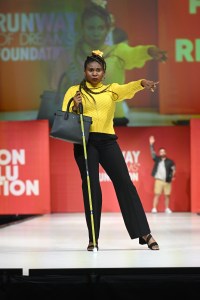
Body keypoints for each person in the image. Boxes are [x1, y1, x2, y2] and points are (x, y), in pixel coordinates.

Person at [62, 50, 160, 251]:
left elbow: (127, 88)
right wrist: (75, 106)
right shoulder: (74, 91)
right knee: (91, 189)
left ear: (104, 73)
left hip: (107, 142)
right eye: (91, 70)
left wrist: (142, 83)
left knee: (125, 183)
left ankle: (144, 233)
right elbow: (64, 115)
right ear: (85, 71)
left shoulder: (111, 90)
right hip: (85, 143)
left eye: (98, 70)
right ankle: (93, 239)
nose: (95, 73)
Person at [50, 2, 167, 126]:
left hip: (114, 120)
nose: (96, 33)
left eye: (101, 28)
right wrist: (70, 82)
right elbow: (54, 87)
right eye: (91, 28)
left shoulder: (117, 52)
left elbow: (135, 53)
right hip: (79, 122)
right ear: (82, 28)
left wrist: (149, 51)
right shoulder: (69, 55)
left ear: (107, 29)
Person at [149, 136, 176, 213]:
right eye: (161, 152)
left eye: (163, 151)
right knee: (157, 194)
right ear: (159, 153)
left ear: (165, 153)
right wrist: (151, 145)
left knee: (167, 195)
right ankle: (154, 208)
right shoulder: (157, 159)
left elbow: (174, 170)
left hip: (167, 180)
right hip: (159, 180)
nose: (162, 153)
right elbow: (152, 153)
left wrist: (172, 176)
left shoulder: (170, 161)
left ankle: (167, 208)